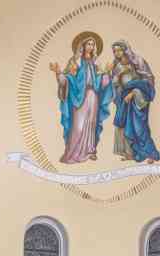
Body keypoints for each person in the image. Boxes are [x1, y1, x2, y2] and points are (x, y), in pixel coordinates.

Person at [50, 32, 113, 164]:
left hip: (93, 97)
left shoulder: (96, 63)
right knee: (78, 126)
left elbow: (102, 83)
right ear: (82, 46)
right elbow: (67, 79)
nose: (91, 46)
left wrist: (107, 73)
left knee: (91, 124)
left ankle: (90, 150)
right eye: (88, 44)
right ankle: (72, 153)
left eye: (92, 44)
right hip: (78, 98)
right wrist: (58, 73)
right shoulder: (75, 62)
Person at [110, 40, 160, 163]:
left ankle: (150, 154)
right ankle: (131, 153)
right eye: (114, 51)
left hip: (138, 99)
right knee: (126, 126)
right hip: (124, 100)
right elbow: (115, 84)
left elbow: (147, 81)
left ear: (125, 49)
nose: (117, 53)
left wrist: (134, 92)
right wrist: (116, 82)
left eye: (119, 50)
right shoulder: (116, 66)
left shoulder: (137, 61)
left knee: (139, 128)